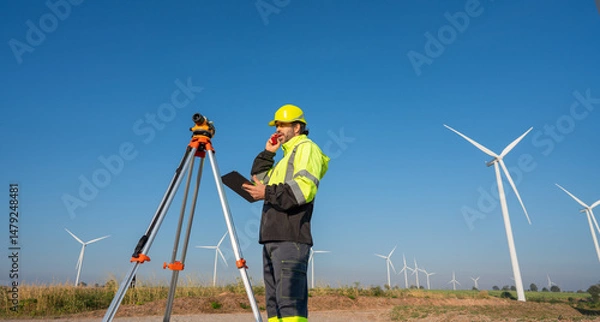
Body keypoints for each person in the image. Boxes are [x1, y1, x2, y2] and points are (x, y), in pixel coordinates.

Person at [242, 104, 330, 322]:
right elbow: (260, 180)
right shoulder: (283, 158)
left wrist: (267, 192)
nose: (278, 129)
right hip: (272, 237)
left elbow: (303, 190)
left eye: (283, 124)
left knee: (290, 305)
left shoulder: (306, 149)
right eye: (277, 125)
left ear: (297, 127)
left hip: (290, 237)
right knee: (274, 306)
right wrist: (268, 153)